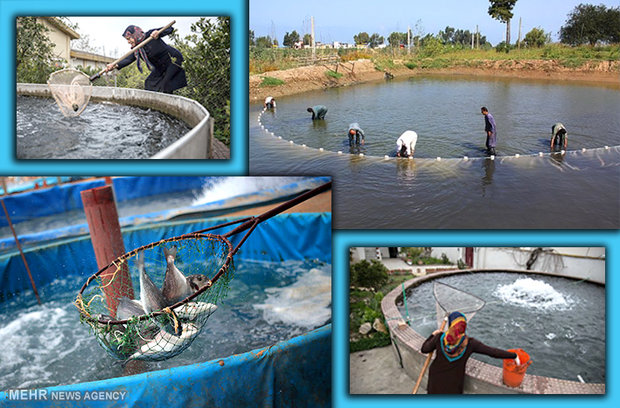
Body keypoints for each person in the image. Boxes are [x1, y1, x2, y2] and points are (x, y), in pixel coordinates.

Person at [421, 311, 520, 394]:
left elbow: (424, 349)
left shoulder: (439, 338)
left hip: (435, 379)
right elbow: (492, 352)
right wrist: (513, 355)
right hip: (453, 384)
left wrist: (432, 335)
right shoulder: (470, 344)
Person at [105, 24, 187, 94]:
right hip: (160, 68)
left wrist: (158, 32)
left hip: (172, 60)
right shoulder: (137, 49)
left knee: (165, 85)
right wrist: (115, 65)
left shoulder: (149, 35)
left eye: (129, 39)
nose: (128, 42)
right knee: (149, 82)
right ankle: (152, 107)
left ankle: (167, 108)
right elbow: (128, 59)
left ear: (135, 35)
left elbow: (170, 29)